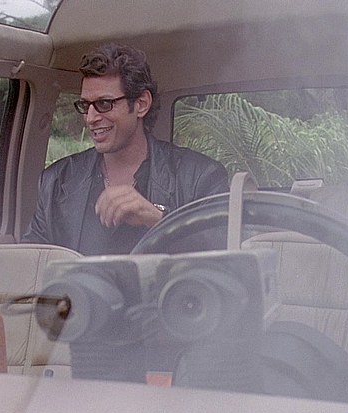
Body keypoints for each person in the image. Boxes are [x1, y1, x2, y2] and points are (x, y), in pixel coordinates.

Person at [22, 43, 229, 255]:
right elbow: (32, 260)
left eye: (104, 103)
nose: (91, 118)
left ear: (141, 104)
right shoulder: (56, 182)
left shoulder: (199, 176)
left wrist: (157, 219)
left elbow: (224, 254)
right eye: (85, 105)